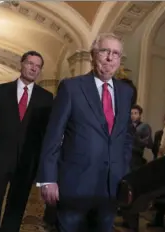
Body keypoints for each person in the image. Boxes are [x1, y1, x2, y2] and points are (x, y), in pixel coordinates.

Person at [37, 33, 134, 232]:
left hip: (110, 188)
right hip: (75, 185)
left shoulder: (126, 92)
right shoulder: (72, 87)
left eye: (115, 53)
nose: (110, 58)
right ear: (92, 55)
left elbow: (125, 137)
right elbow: (54, 135)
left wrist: (124, 174)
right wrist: (48, 178)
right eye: (105, 51)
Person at [0, 51, 53, 232]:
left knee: (16, 209)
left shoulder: (46, 98)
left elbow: (44, 136)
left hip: (26, 164)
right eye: (30, 63)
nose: (33, 68)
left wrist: (42, 168)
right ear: (21, 64)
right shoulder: (0, 91)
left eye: (37, 66)